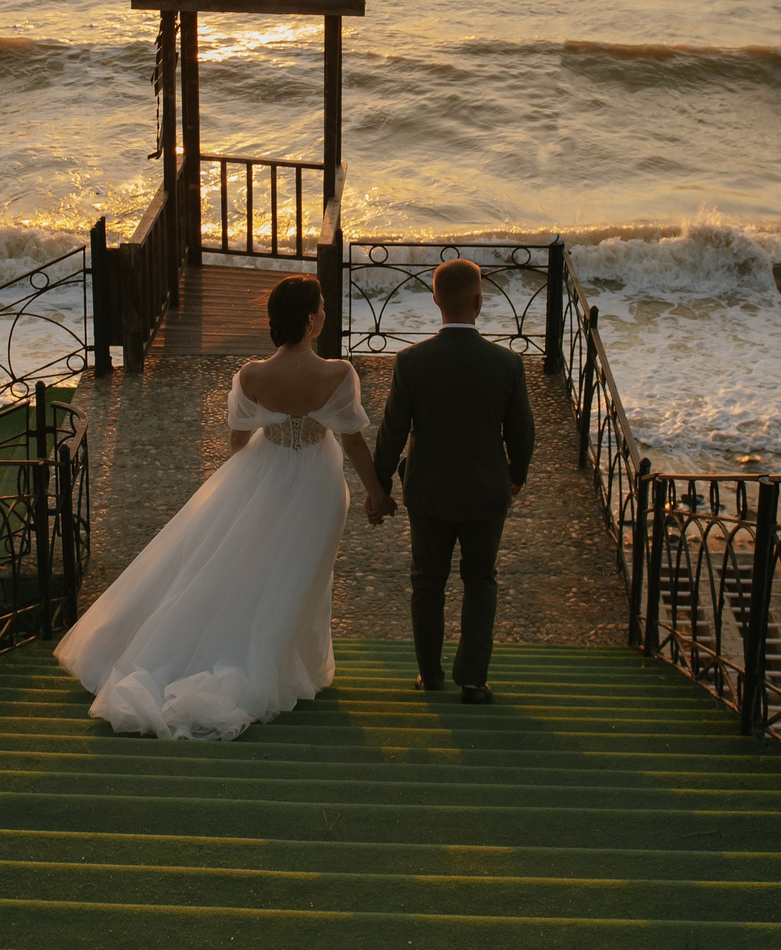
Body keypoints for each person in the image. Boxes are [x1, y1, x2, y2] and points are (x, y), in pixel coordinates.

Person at [55, 273, 390, 739]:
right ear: (312, 320)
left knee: (250, 568)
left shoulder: (251, 375)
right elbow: (352, 441)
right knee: (300, 575)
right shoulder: (338, 374)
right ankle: (282, 663)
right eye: (323, 308)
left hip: (262, 474)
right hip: (318, 485)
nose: (325, 315)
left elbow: (237, 444)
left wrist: (247, 490)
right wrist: (377, 491)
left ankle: (248, 652)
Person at [372, 258, 535, 703]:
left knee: (427, 581)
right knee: (481, 580)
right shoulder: (506, 364)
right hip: (486, 490)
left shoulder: (411, 361)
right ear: (479, 302)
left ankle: (429, 675)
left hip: (429, 491)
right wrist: (515, 475)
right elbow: (522, 432)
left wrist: (379, 486)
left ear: (435, 300)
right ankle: (472, 680)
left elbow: (392, 430)